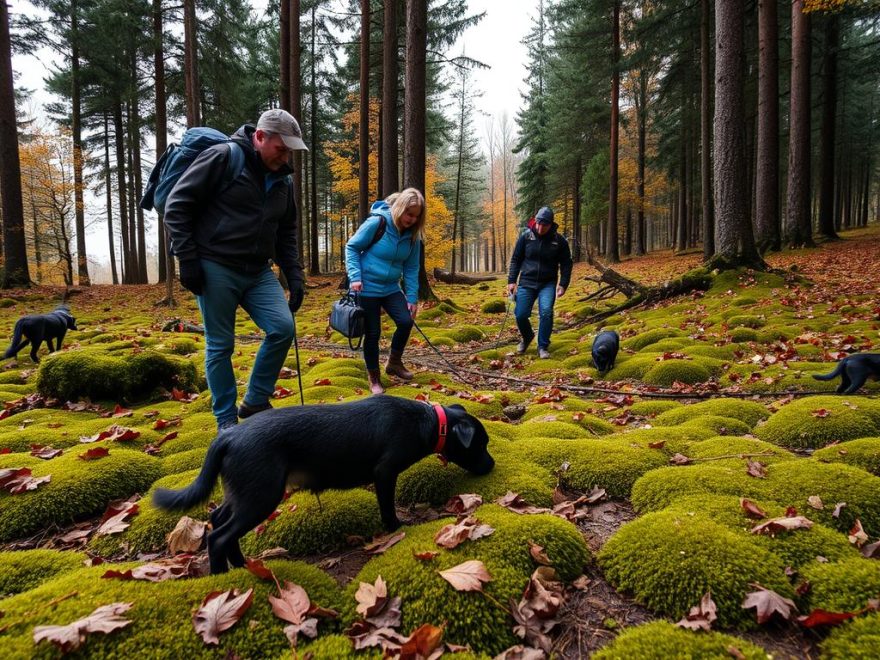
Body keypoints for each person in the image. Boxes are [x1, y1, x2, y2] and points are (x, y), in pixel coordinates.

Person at [164, 108, 308, 431]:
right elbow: (177, 206)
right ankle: (226, 422)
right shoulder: (223, 158)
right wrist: (186, 260)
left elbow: (286, 231)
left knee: (283, 327)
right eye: (280, 148)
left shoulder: (282, 180)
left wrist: (294, 276)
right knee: (220, 345)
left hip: (258, 271)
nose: (285, 157)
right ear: (259, 137)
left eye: (289, 151)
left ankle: (255, 400)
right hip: (215, 266)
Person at [345, 188, 425, 395]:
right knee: (373, 333)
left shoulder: (413, 236)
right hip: (367, 287)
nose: (412, 219)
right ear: (400, 208)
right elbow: (352, 247)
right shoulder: (377, 223)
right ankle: (374, 378)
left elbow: (411, 267)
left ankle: (394, 363)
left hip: (391, 288)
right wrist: (355, 277)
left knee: (406, 321)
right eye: (409, 214)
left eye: (416, 216)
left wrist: (412, 298)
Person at [507, 206, 573, 359]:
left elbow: (566, 263)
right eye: (538, 223)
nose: (540, 227)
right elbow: (516, 259)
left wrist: (563, 284)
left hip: (547, 283)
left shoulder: (559, 241)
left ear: (551, 224)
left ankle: (542, 346)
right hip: (526, 282)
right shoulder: (525, 237)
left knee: (546, 312)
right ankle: (527, 336)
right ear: (535, 221)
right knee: (520, 314)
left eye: (544, 224)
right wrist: (511, 281)